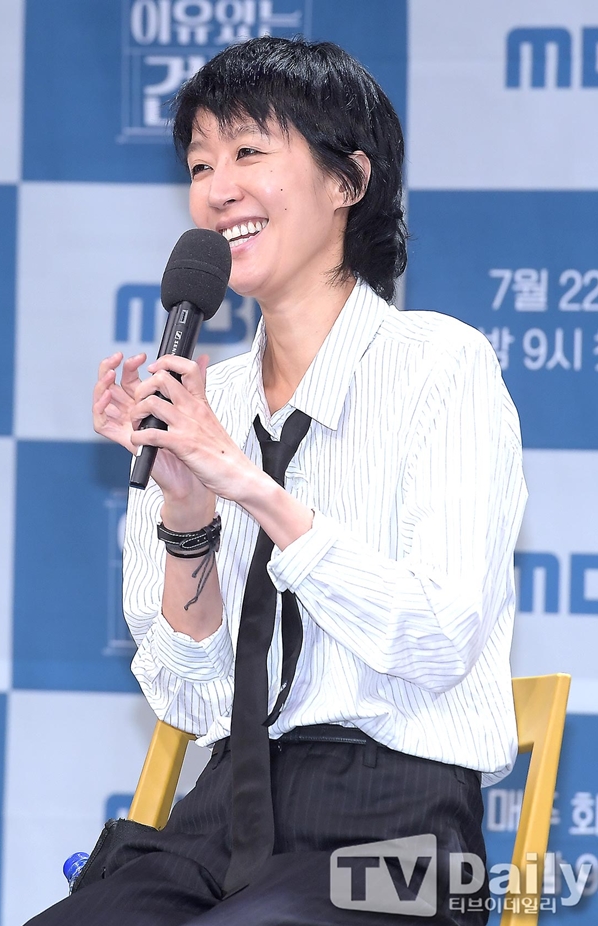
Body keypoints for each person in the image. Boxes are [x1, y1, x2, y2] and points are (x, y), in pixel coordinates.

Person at [26, 36, 527, 926]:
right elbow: (193, 697)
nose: (217, 189)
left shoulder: (441, 364)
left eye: (249, 151)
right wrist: (189, 514)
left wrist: (247, 484)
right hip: (223, 821)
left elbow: (437, 639)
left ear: (348, 181)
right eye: (200, 164)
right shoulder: (203, 399)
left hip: (408, 843)